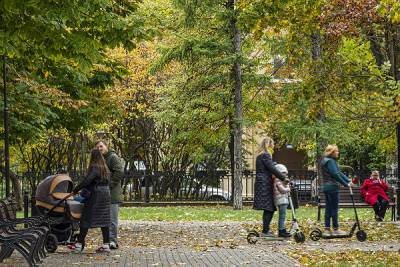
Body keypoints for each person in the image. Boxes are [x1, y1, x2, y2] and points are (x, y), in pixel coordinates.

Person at [68, 149, 111, 253]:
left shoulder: (94, 167)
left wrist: (75, 190)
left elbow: (87, 181)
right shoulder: (105, 168)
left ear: (93, 157)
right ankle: (106, 245)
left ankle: (78, 245)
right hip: (105, 194)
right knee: (104, 220)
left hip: (95, 195)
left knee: (86, 219)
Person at [253, 137, 288, 237]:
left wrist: (274, 164)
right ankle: (265, 231)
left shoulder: (261, 155)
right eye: (272, 144)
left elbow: (269, 165)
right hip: (264, 184)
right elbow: (271, 168)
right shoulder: (266, 154)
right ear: (268, 144)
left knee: (268, 207)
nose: (273, 147)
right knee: (269, 208)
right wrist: (283, 178)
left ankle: (266, 230)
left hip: (262, 183)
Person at [95, 140, 124, 249]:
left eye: (101, 146)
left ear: (106, 146)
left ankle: (112, 241)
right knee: (106, 219)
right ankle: (107, 241)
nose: (99, 149)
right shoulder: (101, 159)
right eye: (97, 147)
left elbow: (120, 172)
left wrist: (110, 185)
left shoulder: (112, 157)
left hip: (113, 194)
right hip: (105, 194)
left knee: (112, 219)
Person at [320, 144, 351, 237]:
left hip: (326, 187)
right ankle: (336, 229)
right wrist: (346, 184)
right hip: (333, 187)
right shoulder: (330, 161)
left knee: (328, 208)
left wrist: (348, 180)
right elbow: (336, 174)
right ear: (332, 152)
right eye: (336, 151)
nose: (338, 152)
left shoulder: (326, 161)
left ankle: (327, 229)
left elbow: (339, 172)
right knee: (334, 208)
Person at [273, 164, 291, 238]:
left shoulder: (281, 180)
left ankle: (283, 229)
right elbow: (282, 190)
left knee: (283, 216)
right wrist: (288, 189)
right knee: (282, 216)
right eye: (283, 173)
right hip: (281, 200)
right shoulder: (277, 180)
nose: (285, 175)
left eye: (285, 173)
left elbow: (285, 186)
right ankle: (281, 230)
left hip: (283, 199)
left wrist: (287, 184)